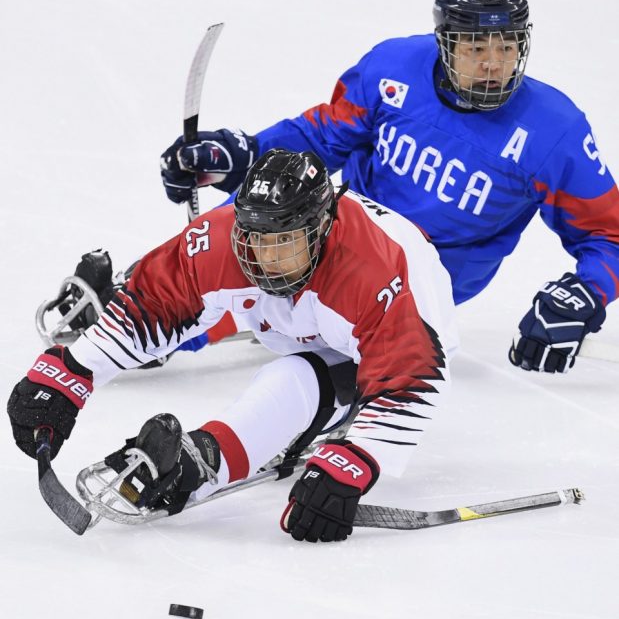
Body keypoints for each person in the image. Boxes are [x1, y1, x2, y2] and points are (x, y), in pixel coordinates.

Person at [159, 0, 617, 375]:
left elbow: (610, 236)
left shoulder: (554, 131)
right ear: (446, 44)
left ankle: (177, 317)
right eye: (476, 47)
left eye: (507, 46)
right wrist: (243, 154)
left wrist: (584, 293)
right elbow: (321, 139)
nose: (494, 63)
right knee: (260, 217)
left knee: (296, 299)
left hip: (427, 276)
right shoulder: (392, 68)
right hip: (342, 232)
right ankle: (142, 299)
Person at [7, 149, 457, 542]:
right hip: (295, 321)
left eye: (285, 241)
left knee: (291, 379)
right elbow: (156, 300)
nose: (268, 259)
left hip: (388, 341)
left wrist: (356, 460)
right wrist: (72, 370)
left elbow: (411, 374)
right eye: (257, 239)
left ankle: (205, 461)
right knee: (261, 333)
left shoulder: (374, 267)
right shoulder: (227, 236)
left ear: (321, 228)